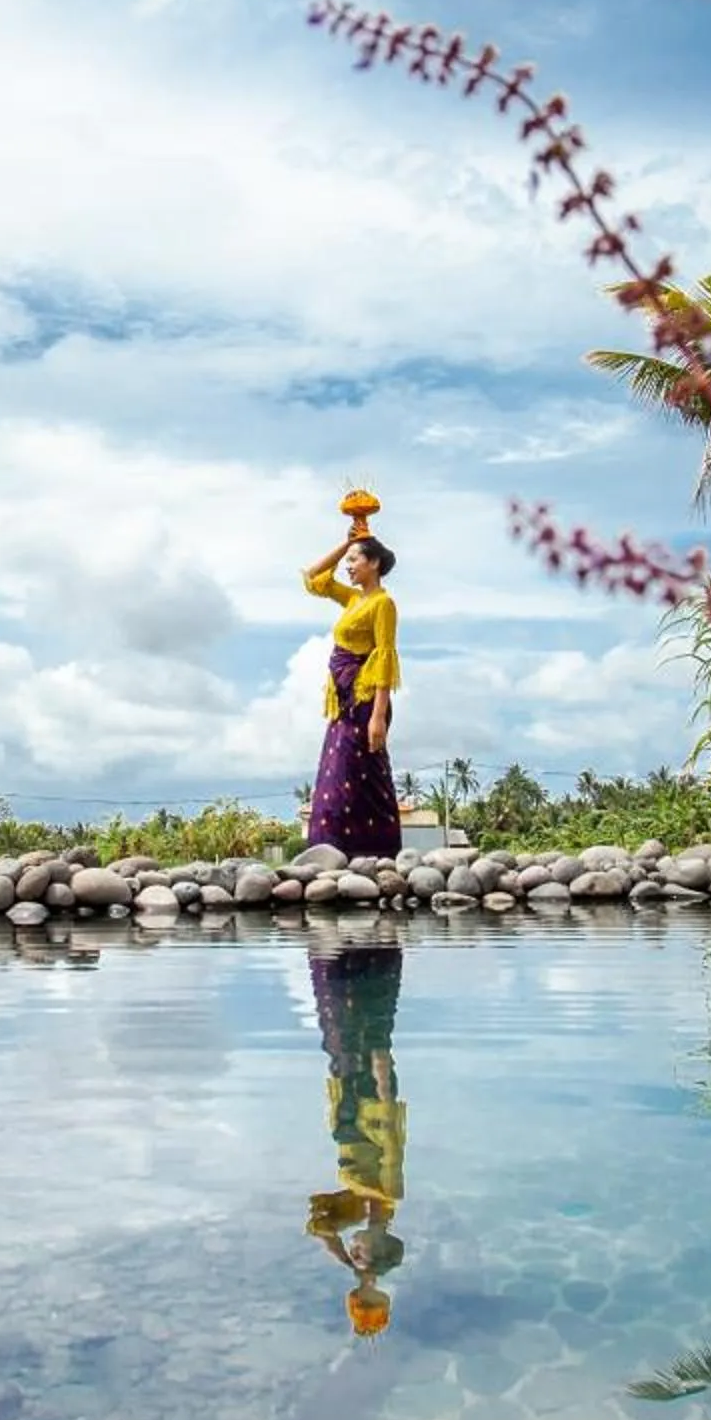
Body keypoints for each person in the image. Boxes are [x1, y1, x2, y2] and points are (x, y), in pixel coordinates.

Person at [305, 937, 406, 1335]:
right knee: (358, 1026)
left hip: (346, 1104)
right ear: (379, 1247)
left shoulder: (356, 1208)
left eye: (354, 1252)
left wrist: (351, 1266)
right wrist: (383, 1080)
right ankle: (365, 953)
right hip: (369, 1100)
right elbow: (392, 1139)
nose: (354, 1249)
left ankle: (339, 953)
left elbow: (322, 1229)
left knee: (338, 1030)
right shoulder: (385, 1195)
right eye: (361, 1252)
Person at [300, 524, 401, 858]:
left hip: (366, 700)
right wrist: (347, 544)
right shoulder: (355, 599)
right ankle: (331, 853)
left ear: (374, 563)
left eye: (355, 559)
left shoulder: (383, 604)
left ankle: (376, 853)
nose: (348, 566)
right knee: (336, 776)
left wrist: (378, 717)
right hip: (344, 700)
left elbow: (385, 658)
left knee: (361, 776)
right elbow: (314, 578)